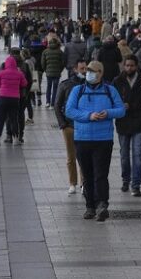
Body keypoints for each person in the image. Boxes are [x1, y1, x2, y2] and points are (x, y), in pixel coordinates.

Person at [65, 61, 126, 221]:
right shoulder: (78, 90)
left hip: (103, 139)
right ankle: (90, 206)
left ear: (101, 73)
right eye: (88, 70)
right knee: (87, 175)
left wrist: (108, 113)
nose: (89, 73)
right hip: (82, 139)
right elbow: (69, 110)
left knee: (101, 174)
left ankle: (102, 205)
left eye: (93, 70)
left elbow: (121, 110)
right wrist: (88, 116)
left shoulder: (109, 90)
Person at [112, 55, 141, 197]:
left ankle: (136, 185)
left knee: (137, 154)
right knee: (124, 155)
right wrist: (120, 105)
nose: (129, 68)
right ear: (123, 66)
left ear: (136, 66)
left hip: (138, 122)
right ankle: (126, 179)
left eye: (132, 65)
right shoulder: (118, 81)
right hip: (123, 122)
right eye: (127, 65)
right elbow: (112, 100)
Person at [54, 58, 86, 195]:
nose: (85, 72)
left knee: (83, 156)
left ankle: (83, 183)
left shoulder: (90, 84)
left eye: (86, 69)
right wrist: (62, 124)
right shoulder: (66, 85)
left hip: (84, 126)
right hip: (69, 126)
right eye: (82, 69)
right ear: (75, 69)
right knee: (71, 156)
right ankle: (72, 183)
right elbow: (57, 104)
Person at [0, 55, 27, 146]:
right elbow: (24, 84)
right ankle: (15, 139)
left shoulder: (2, 73)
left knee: (0, 119)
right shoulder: (19, 73)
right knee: (14, 119)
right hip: (14, 99)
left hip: (3, 98)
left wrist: (2, 87)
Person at [41, 37, 65, 108]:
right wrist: (60, 69)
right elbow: (63, 62)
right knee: (55, 88)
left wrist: (46, 69)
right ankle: (53, 102)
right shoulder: (60, 52)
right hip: (57, 72)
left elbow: (43, 63)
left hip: (48, 72)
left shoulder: (45, 51)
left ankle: (47, 102)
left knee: (48, 87)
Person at [21, 48, 36, 125]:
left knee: (27, 102)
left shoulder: (27, 62)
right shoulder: (31, 60)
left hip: (28, 84)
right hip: (30, 83)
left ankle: (30, 118)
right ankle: (27, 117)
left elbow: (28, 74)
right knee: (27, 102)